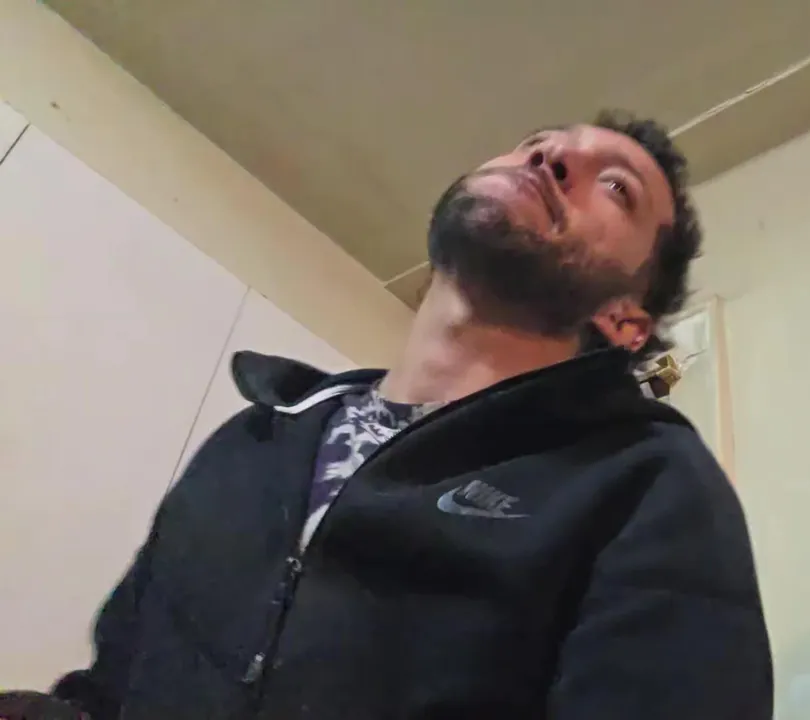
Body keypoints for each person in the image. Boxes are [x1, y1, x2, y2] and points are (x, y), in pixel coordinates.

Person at [24, 111, 772, 719]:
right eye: (539, 141)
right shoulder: (257, 435)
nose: (550, 158)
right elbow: (111, 687)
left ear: (626, 319)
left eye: (614, 186)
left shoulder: (647, 481)